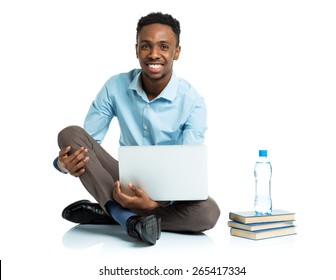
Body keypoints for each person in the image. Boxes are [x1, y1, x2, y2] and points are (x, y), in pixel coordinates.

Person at [54, 12, 220, 245]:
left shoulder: (193, 102)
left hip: (170, 192)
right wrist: (62, 164)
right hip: (123, 180)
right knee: (69, 134)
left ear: (177, 52)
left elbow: (187, 170)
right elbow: (87, 143)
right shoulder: (115, 86)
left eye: (164, 46)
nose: (154, 54)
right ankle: (129, 219)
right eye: (146, 46)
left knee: (208, 212)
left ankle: (116, 214)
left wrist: (157, 204)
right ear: (136, 49)